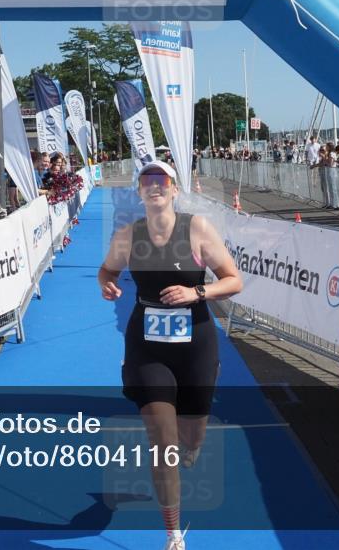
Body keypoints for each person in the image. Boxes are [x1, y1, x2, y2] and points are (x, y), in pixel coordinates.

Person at [97, 161, 242, 550]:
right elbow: (106, 271)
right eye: (147, 181)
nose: (154, 186)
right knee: (162, 442)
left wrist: (197, 293)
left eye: (161, 180)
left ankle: (192, 442)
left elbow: (234, 279)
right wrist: (107, 284)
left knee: (190, 437)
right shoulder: (128, 235)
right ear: (139, 192)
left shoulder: (196, 229)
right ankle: (173, 535)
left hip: (195, 342)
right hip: (147, 346)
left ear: (174, 189)